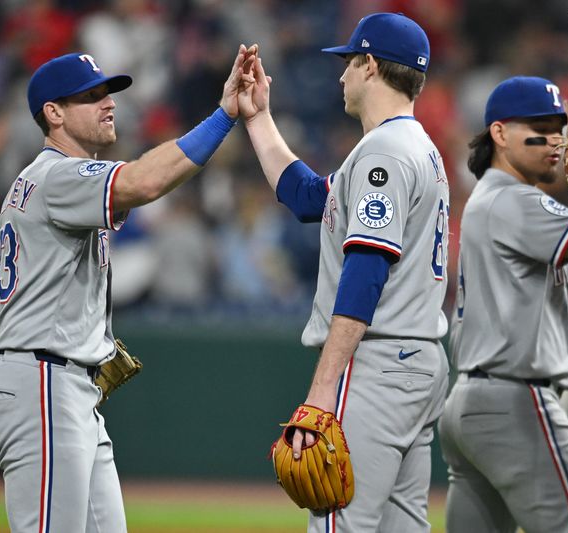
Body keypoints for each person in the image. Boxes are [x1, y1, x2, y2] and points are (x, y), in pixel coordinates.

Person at [0, 47, 256, 532]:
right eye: (90, 96)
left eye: (107, 92)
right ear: (53, 113)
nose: (107, 102)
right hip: (44, 382)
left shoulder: (39, 183)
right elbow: (144, 183)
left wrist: (34, 329)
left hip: (60, 381)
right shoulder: (58, 175)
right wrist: (225, 114)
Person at [238, 12, 451, 532]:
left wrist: (322, 392)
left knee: (339, 526)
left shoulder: (385, 153)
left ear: (371, 65)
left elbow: (366, 272)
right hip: (420, 361)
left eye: (350, 62)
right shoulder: (415, 148)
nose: (341, 75)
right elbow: (310, 198)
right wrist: (258, 117)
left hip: (378, 363)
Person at [437, 76, 568, 533]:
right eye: (538, 127)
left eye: (559, 128)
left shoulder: (503, 204)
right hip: (516, 399)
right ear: (499, 134)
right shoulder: (514, 200)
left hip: (471, 404)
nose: (555, 140)